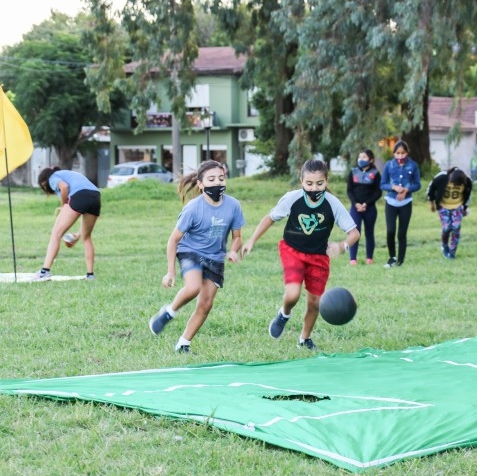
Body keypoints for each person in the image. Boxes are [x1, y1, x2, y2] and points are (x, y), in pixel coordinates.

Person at [243, 158, 360, 351]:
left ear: (327, 181)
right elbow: (270, 218)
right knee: (292, 294)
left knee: (315, 303)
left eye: (320, 183)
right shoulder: (293, 198)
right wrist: (251, 240)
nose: (314, 188)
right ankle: (284, 314)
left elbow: (354, 233)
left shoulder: (333, 203)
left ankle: (304, 339)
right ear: (301, 181)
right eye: (309, 183)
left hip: (319, 257)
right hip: (292, 251)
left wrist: (342, 246)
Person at [148, 160, 245, 354]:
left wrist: (234, 251)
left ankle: (183, 344)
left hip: (215, 257)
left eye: (221, 178)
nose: (217, 183)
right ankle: (169, 312)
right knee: (193, 287)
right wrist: (170, 272)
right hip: (191, 251)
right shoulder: (193, 208)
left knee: (206, 304)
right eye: (211, 179)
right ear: (200, 184)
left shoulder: (233, 205)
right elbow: (173, 240)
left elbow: (237, 237)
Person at [34, 166, 101, 281]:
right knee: (86, 237)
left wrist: (63, 206)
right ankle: (90, 275)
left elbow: (64, 187)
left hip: (79, 196)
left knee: (56, 234)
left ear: (44, 183)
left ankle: (45, 271)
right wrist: (77, 235)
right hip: (95, 196)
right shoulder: (66, 174)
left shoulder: (52, 177)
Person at [380, 140, 421, 268]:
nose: (400, 156)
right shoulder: (389, 165)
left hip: (406, 203)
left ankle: (400, 261)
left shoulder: (413, 165)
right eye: (397, 153)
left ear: (407, 153)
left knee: (402, 233)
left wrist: (406, 190)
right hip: (391, 202)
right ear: (394, 153)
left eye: (403, 153)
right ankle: (392, 257)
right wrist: (393, 187)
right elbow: (382, 184)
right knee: (390, 231)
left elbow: (417, 184)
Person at [427, 167, 473, 259]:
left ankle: (452, 252)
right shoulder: (442, 177)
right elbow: (431, 189)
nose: (455, 185)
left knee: (456, 228)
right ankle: (444, 245)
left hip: (458, 207)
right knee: (447, 228)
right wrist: (432, 204)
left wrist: (465, 208)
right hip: (443, 206)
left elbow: (468, 195)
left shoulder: (467, 181)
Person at [346, 149, 381, 265]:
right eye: (359, 157)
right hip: (355, 208)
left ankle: (369, 258)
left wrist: (366, 203)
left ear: (371, 160)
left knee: (369, 233)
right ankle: (353, 259)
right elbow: (349, 191)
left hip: (369, 208)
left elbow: (378, 192)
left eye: (364, 157)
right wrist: (355, 203)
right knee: (354, 232)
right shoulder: (353, 172)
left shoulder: (375, 174)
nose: (361, 159)